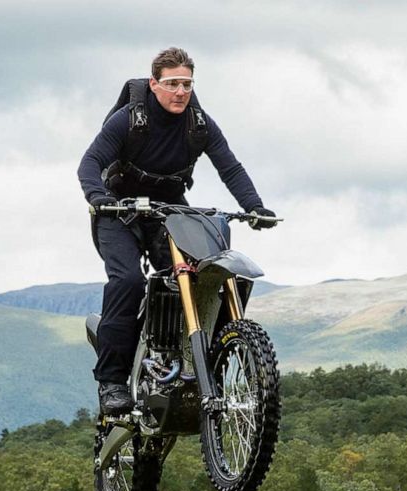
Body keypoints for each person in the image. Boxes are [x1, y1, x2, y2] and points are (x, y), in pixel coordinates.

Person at [78, 46, 276, 416]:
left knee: (199, 276)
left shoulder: (199, 124)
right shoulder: (129, 120)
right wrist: (99, 196)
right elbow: (90, 162)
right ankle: (112, 383)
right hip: (118, 207)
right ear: (154, 84)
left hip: (168, 208)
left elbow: (229, 167)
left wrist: (254, 207)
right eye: (172, 84)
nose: (180, 92)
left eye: (186, 84)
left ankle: (194, 362)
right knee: (127, 282)